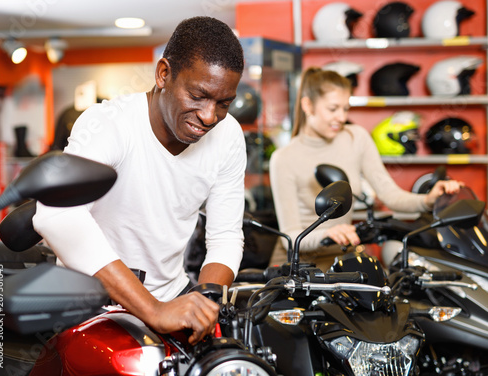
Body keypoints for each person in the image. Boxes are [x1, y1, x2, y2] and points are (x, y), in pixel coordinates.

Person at [33, 16, 246, 345]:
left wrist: (206, 302)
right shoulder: (110, 125)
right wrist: (152, 309)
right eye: (198, 96)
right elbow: (58, 214)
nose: (209, 116)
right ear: (164, 74)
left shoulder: (228, 135)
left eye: (223, 103)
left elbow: (226, 236)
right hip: (89, 307)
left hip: (172, 297)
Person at [269, 67, 462, 269]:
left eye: (345, 109)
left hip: (340, 255)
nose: (341, 118)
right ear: (308, 105)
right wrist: (326, 234)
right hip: (295, 263)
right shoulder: (283, 158)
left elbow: (390, 194)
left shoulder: (356, 138)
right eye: (333, 109)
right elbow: (289, 237)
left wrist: (429, 200)